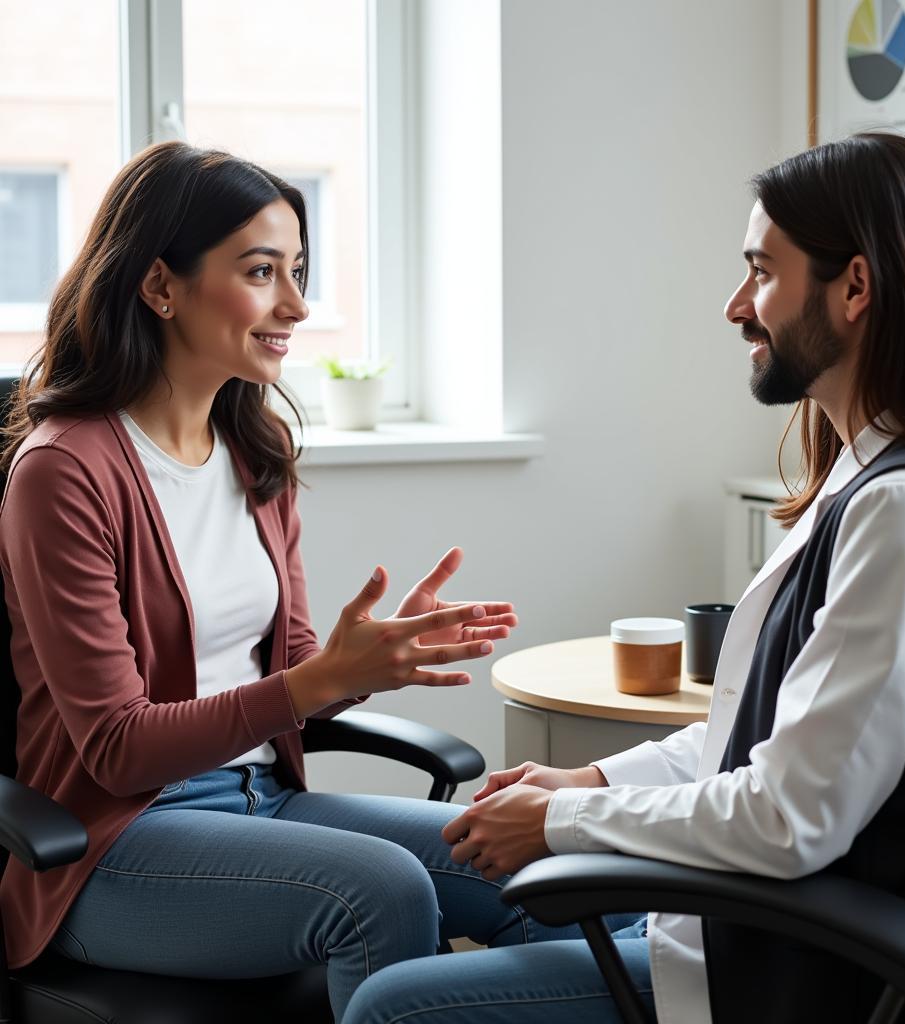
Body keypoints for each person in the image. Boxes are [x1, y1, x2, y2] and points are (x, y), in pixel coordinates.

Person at [341, 132, 905, 1024]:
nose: (738, 306)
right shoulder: (899, 477)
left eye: (762, 273)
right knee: (479, 892)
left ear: (855, 287)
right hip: (771, 924)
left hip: (800, 973)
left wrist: (555, 826)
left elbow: (787, 819)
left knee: (393, 1007)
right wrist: (591, 784)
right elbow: (775, 741)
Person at [0, 141, 594, 1022]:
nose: (296, 304)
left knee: (546, 863)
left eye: (299, 270)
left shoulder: (253, 449)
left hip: (262, 803)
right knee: (380, 892)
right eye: (262, 271)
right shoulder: (65, 471)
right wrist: (318, 681)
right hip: (108, 848)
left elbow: (291, 687)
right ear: (161, 286)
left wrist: (369, 660)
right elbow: (117, 749)